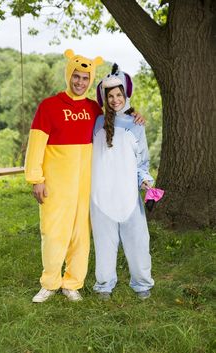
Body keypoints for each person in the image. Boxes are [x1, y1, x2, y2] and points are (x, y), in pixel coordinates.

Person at [25, 50, 144, 303]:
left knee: (81, 236)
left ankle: (72, 283)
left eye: (85, 78)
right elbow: (35, 144)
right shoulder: (49, 106)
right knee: (54, 232)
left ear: (91, 81)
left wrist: (135, 114)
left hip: (86, 186)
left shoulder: (93, 109)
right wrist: (36, 178)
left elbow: (117, 116)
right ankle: (50, 282)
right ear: (69, 75)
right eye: (76, 76)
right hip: (56, 185)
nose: (80, 82)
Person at [90, 63, 154, 301]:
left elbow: (142, 163)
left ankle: (142, 282)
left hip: (128, 196)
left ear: (125, 95)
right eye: (110, 96)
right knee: (104, 244)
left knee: (138, 241)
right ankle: (104, 284)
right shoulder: (95, 123)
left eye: (119, 95)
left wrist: (146, 181)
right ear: (104, 98)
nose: (115, 99)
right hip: (100, 195)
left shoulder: (136, 125)